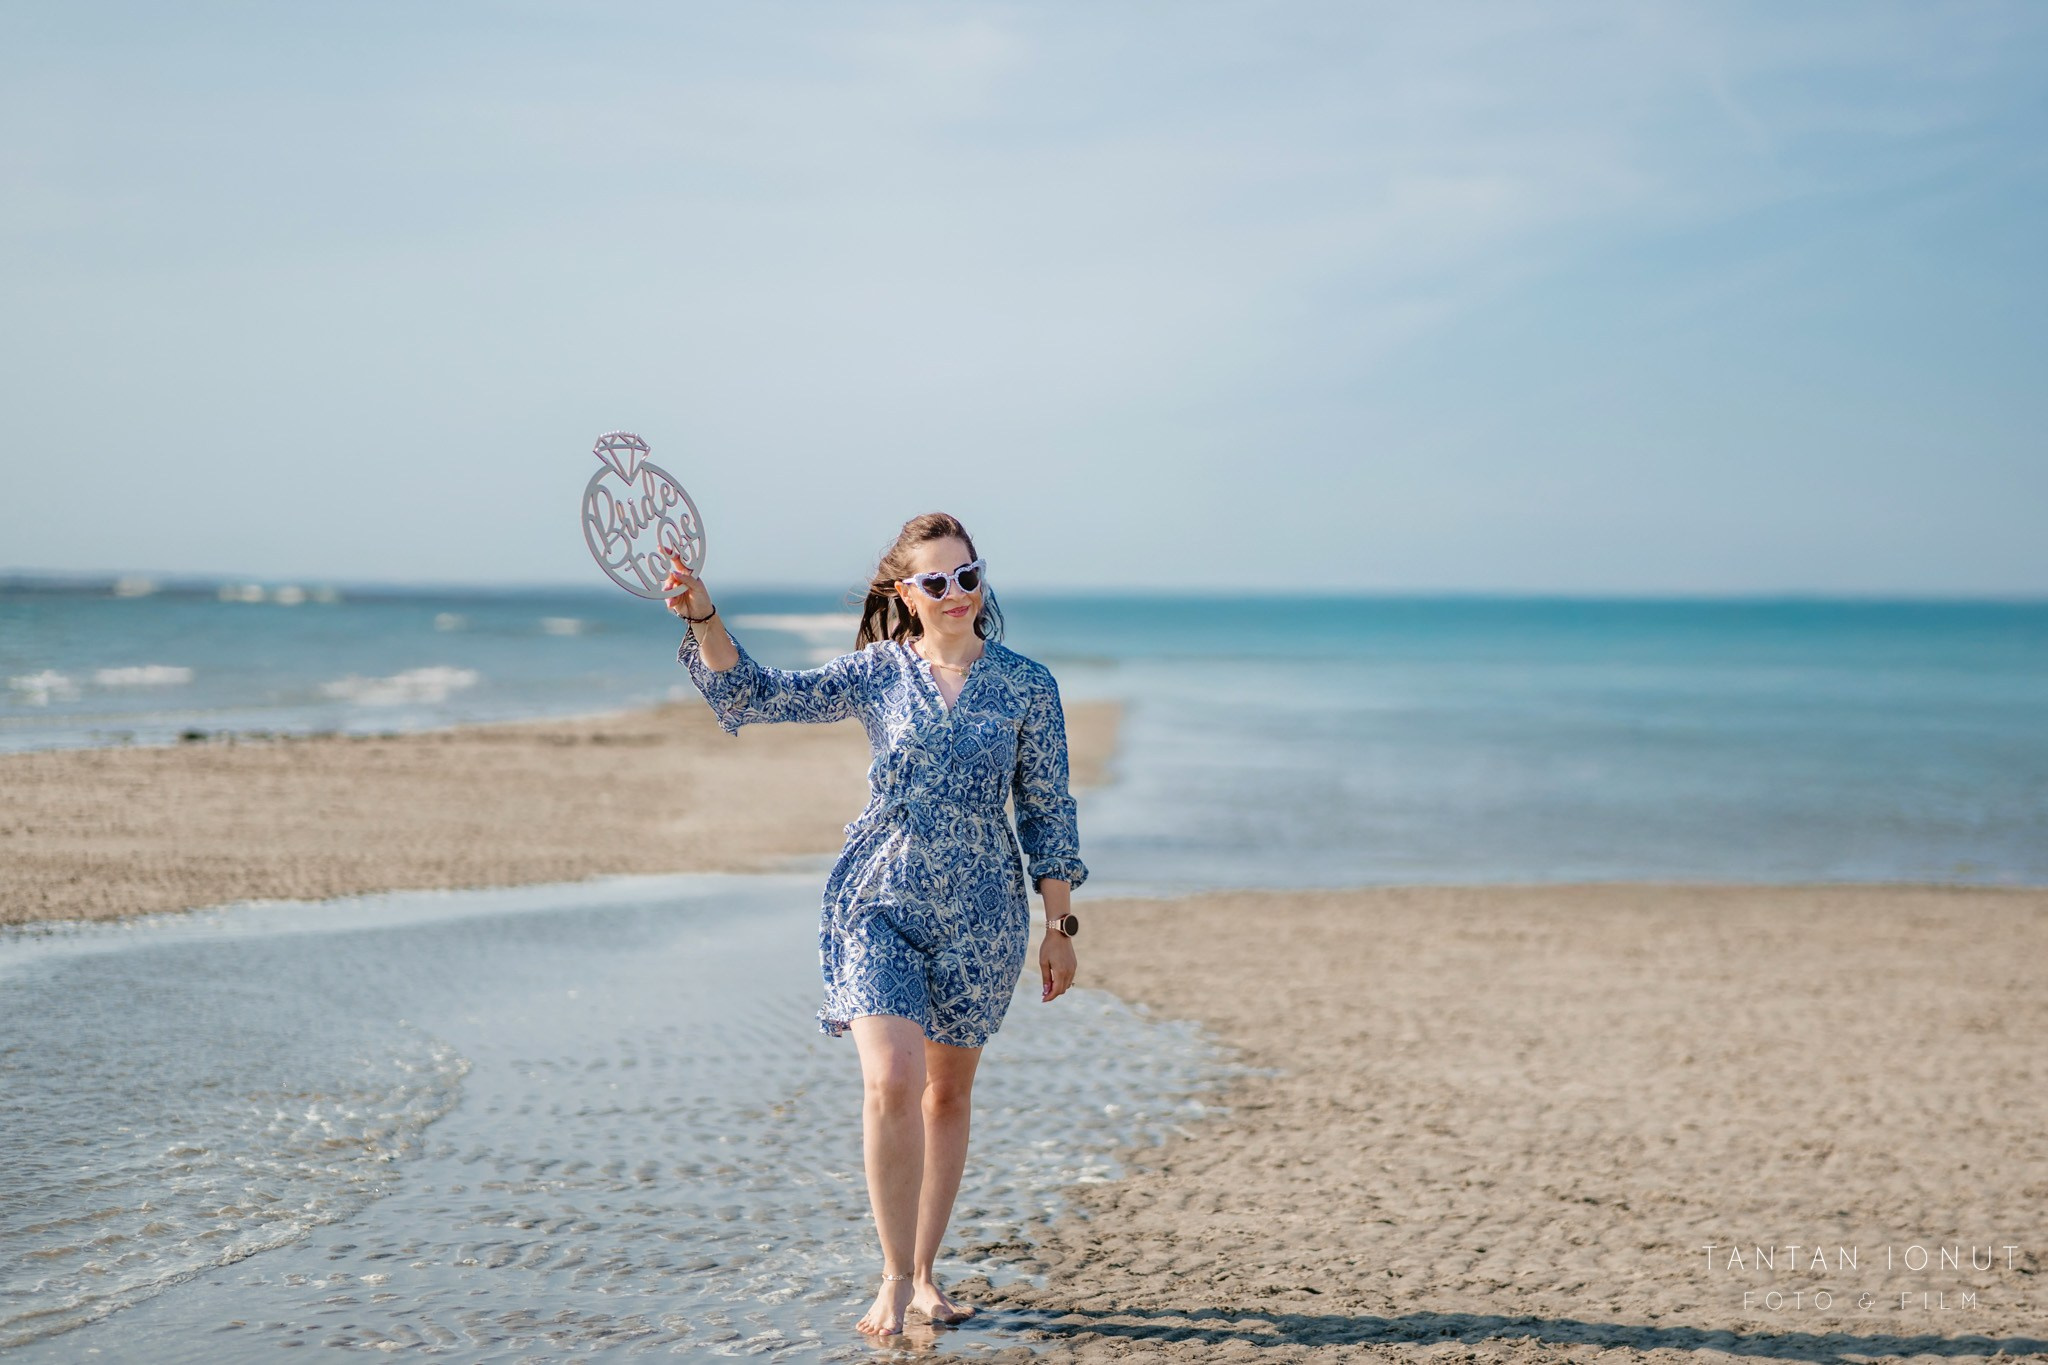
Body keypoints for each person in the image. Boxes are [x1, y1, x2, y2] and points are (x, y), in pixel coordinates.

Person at [660, 511, 1085, 1339]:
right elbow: (759, 692)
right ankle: (891, 1278)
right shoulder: (879, 671)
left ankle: (925, 1274)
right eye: (937, 580)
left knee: (945, 1093)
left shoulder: (1028, 685)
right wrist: (704, 615)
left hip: (982, 915)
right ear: (906, 593)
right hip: (878, 900)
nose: (957, 592)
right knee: (891, 1078)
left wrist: (1059, 923)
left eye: (968, 575)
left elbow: (1047, 808)